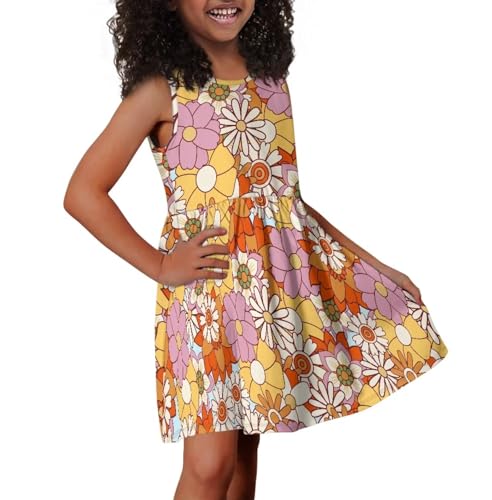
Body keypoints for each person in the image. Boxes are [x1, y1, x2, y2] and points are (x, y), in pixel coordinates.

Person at [63, 1, 449, 498]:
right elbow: (83, 192)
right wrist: (161, 265)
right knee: (210, 464)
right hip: (206, 299)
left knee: (244, 455)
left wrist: (377, 268)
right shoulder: (161, 89)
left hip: (266, 300)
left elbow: (289, 205)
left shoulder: (272, 84)